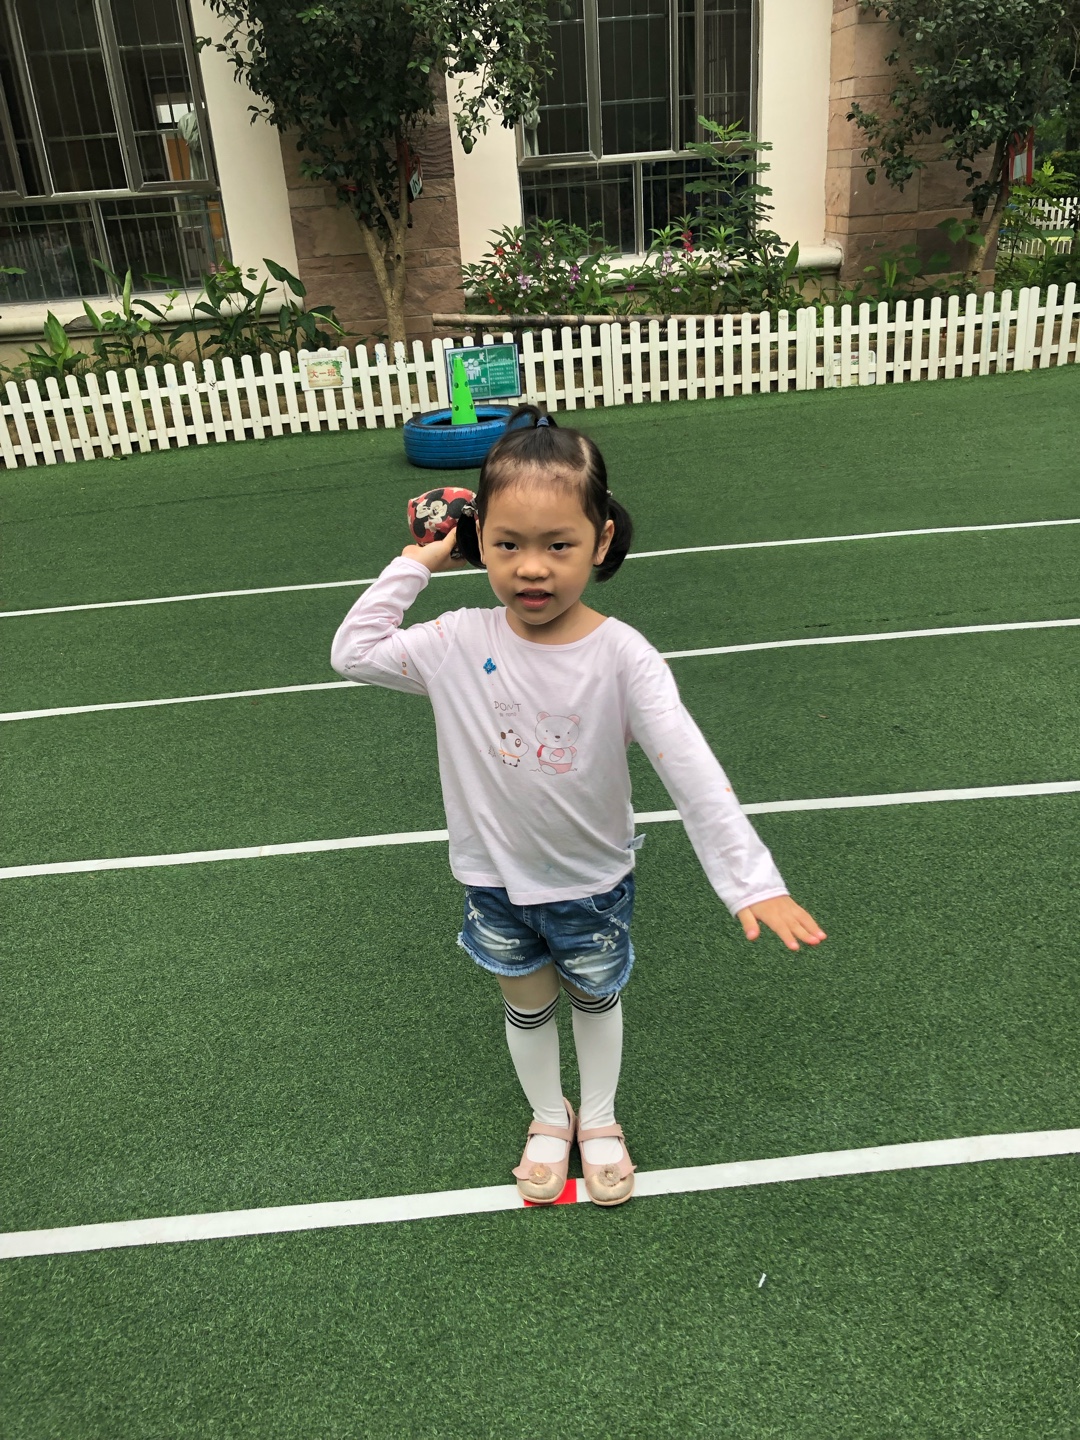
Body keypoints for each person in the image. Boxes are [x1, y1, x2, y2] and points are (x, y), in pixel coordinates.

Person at [331, 406, 825, 1207]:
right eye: (507, 545)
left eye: (558, 545)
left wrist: (750, 880)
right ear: (477, 539)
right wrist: (416, 562)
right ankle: (547, 1116)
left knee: (595, 997)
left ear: (600, 540)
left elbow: (691, 768)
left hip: (591, 881)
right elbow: (353, 652)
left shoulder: (623, 656)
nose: (532, 569)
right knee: (525, 1004)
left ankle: (598, 1119)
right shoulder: (455, 642)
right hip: (494, 880)